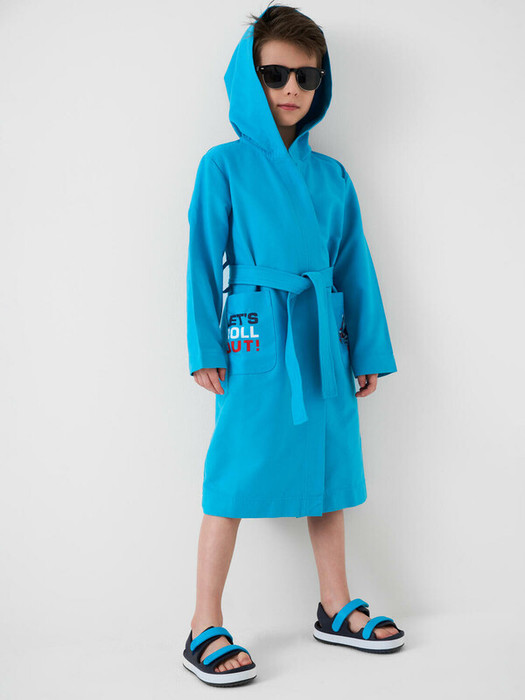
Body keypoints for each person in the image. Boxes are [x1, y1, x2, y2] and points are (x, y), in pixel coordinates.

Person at [183, 3, 404, 686]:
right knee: (232, 473)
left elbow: (354, 266)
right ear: (247, 79)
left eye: (307, 77)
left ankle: (335, 605)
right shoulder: (222, 165)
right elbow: (201, 258)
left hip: (322, 337)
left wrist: (366, 350)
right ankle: (202, 622)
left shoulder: (331, 176)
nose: (291, 88)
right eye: (274, 74)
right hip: (255, 334)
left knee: (327, 469)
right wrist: (205, 345)